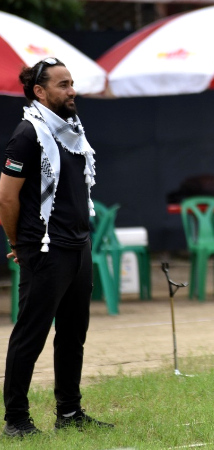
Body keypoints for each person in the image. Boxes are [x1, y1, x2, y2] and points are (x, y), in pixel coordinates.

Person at [0, 58, 114, 437]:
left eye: (71, 83)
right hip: (45, 250)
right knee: (30, 335)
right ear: (39, 91)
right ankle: (16, 420)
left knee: (72, 334)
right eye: (63, 85)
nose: (72, 91)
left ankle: (69, 413)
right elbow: (6, 198)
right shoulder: (27, 134)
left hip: (78, 245)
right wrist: (19, 242)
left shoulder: (71, 130)